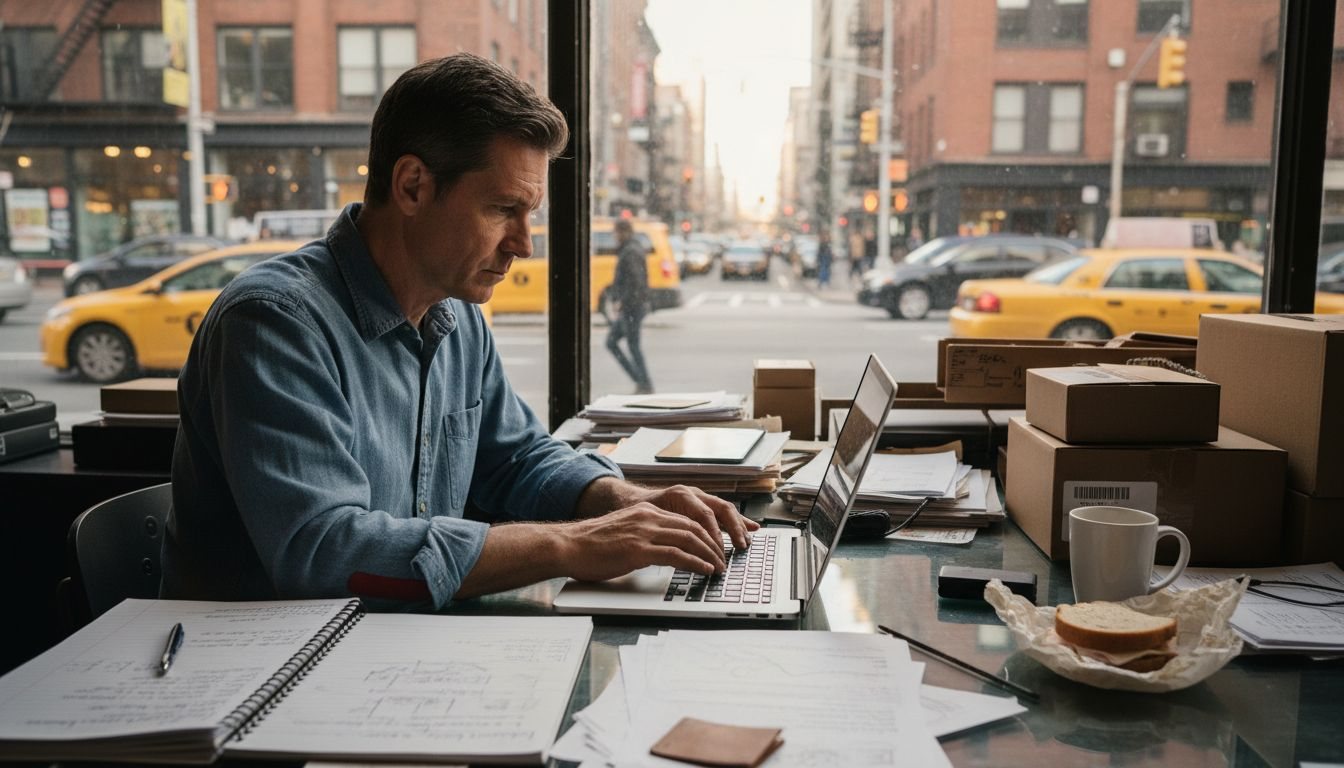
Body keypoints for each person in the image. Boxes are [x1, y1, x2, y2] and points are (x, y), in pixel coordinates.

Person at [162, 53, 754, 609]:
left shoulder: (455, 311)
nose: (523, 244)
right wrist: (575, 544)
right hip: (261, 676)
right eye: (503, 210)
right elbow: (323, 554)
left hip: (391, 647)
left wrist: (624, 501)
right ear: (413, 185)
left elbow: (515, 458)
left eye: (531, 216)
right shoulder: (275, 322)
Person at [605, 220, 655, 394]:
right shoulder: (630, 249)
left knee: (632, 345)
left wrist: (621, 302)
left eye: (616, 232)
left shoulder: (630, 251)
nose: (614, 236)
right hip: (632, 307)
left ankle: (644, 383)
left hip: (632, 308)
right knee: (613, 342)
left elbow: (635, 282)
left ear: (623, 232)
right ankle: (641, 381)